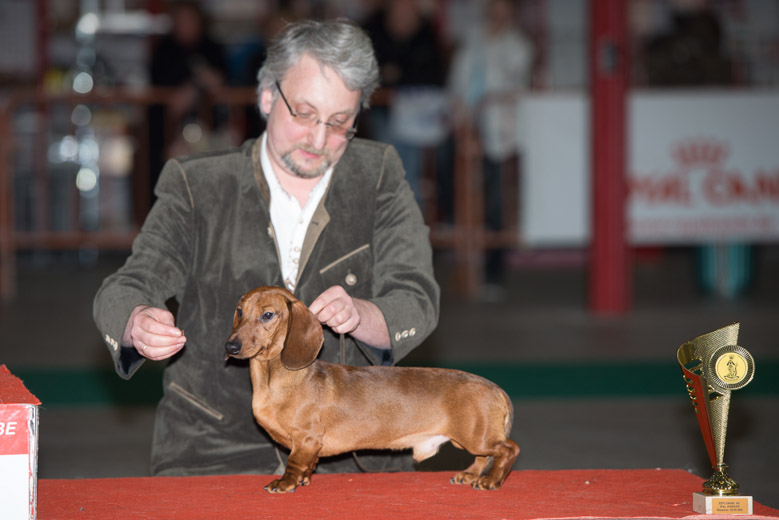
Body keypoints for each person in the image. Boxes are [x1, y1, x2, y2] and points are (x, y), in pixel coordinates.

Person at [94, 19, 440, 477]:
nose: (319, 140)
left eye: (340, 124)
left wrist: (365, 315)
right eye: (303, 113)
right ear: (266, 97)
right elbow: (131, 283)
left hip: (351, 455)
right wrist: (137, 320)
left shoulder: (378, 175)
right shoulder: (196, 184)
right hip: (213, 452)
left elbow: (416, 297)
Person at [447, 0, 534, 298]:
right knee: (464, 197)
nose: (496, 14)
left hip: (499, 132)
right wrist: (456, 111)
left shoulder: (518, 45)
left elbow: (515, 83)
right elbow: (457, 80)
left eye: (503, 9)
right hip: (467, 127)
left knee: (496, 199)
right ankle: (465, 264)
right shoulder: (472, 38)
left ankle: (494, 270)